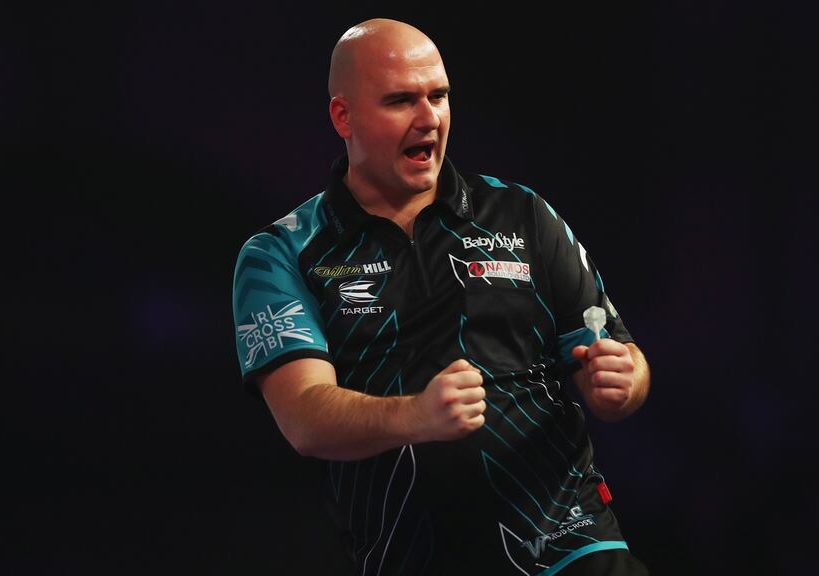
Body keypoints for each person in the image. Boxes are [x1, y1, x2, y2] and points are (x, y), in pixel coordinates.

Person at [232, 18, 651, 575]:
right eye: (401, 100)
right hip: (412, 555)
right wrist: (416, 417)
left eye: (439, 96)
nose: (428, 118)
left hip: (570, 543)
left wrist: (623, 383)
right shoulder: (280, 254)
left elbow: (619, 356)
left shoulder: (523, 214)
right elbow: (305, 419)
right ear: (343, 116)